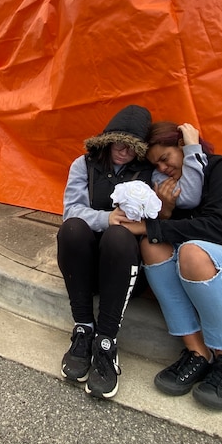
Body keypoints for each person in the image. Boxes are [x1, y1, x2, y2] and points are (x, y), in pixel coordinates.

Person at [121, 121, 222, 410]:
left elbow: (215, 228)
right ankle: (198, 353)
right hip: (201, 284)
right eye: (155, 164)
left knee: (191, 252)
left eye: (165, 158)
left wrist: (152, 225)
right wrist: (167, 212)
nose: (161, 169)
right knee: (151, 244)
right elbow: (171, 234)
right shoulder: (172, 190)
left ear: (184, 147)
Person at [57, 106, 206, 399]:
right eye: (119, 143)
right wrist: (106, 217)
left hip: (124, 268)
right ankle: (84, 329)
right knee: (73, 228)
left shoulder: (148, 172)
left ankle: (106, 342)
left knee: (119, 235)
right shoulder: (83, 165)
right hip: (86, 267)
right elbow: (70, 210)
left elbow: (188, 197)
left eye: (132, 147)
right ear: (108, 140)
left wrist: (192, 149)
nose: (124, 151)